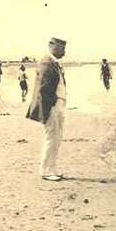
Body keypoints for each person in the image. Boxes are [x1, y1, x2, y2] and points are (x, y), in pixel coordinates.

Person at [26, 37, 67, 182]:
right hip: (52, 107)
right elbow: (43, 90)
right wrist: (47, 110)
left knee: (56, 139)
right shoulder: (46, 62)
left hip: (58, 105)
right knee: (51, 138)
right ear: (52, 46)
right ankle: (46, 171)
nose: (64, 52)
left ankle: (52, 169)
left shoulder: (53, 63)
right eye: (61, 48)